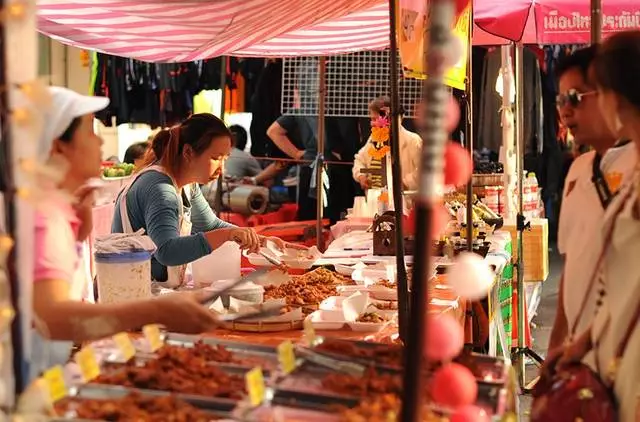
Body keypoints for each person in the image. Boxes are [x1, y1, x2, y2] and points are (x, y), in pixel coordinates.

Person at [31, 87, 220, 378]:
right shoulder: (42, 217)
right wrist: (156, 311)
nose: (98, 141)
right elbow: (51, 318)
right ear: (58, 147)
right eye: (89, 132)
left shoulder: (56, 208)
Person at [548, 31, 640, 422]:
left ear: (615, 96)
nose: (566, 111)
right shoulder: (616, 172)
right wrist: (575, 343)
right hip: (608, 355)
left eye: (587, 94)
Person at [111, 114, 294, 285]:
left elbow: (210, 225)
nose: (221, 168)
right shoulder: (160, 189)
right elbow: (167, 251)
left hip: (151, 288)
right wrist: (228, 235)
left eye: (225, 159)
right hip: (130, 291)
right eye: (215, 158)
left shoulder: (188, 184)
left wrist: (258, 239)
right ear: (189, 152)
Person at [352, 96, 422, 192]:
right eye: (371, 119)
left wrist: (405, 183)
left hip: (403, 203)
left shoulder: (413, 140)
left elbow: (424, 170)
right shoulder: (374, 138)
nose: (372, 123)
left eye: (375, 119)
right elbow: (360, 160)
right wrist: (361, 176)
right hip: (376, 200)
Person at [266, 104, 318, 221]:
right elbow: (273, 131)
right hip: (330, 167)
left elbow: (273, 131)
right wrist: (296, 154)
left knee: (309, 221)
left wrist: (297, 154)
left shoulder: (300, 109)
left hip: (309, 165)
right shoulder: (339, 107)